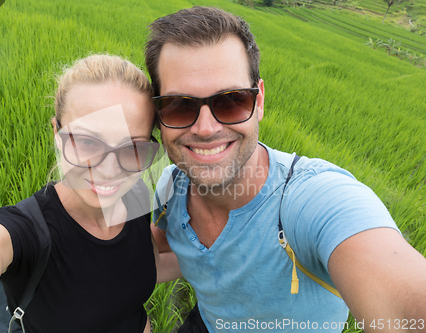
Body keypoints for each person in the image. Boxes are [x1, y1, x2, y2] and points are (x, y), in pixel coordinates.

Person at [146, 6, 426, 333]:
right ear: (158, 115)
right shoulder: (171, 185)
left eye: (231, 100)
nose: (206, 128)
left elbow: (407, 309)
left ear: (259, 101)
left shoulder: (312, 199)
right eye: (180, 106)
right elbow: (164, 248)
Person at [0, 54, 181, 333]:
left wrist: (219, 263)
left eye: (133, 147)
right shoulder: (21, 234)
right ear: (57, 134)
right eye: (86, 142)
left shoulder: (137, 195)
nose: (110, 170)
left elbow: (143, 267)